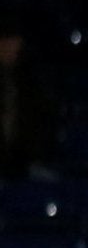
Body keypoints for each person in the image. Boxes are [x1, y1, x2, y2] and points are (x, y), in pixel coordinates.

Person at [0, 16, 58, 180]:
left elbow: (41, 124)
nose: (9, 47)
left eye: (13, 41)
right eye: (4, 42)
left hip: (25, 163)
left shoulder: (31, 80)